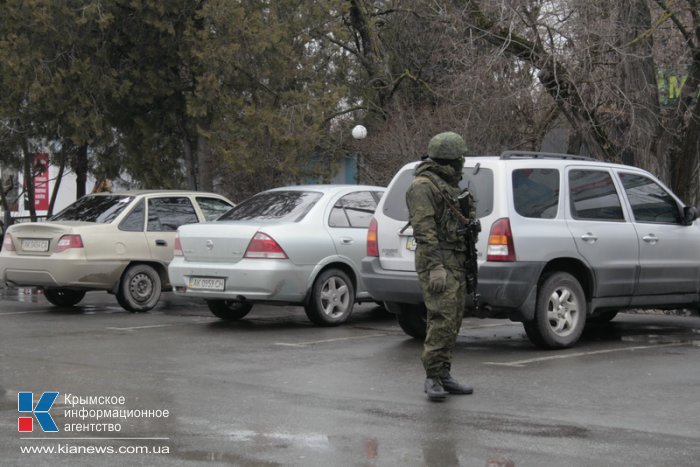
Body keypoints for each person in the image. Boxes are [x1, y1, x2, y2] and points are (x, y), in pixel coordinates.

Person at [405, 131, 477, 402]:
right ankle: (433, 377)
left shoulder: (452, 185)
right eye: (460, 158)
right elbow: (424, 231)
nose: (462, 163)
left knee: (454, 318)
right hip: (438, 262)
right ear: (449, 159)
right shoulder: (423, 186)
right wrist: (436, 266)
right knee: (441, 318)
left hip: (456, 260)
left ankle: (444, 373)